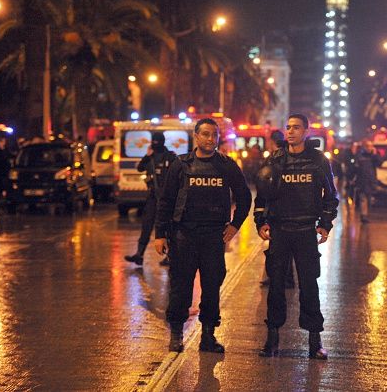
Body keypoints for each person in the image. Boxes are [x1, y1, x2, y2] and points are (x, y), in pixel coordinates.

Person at [154, 118, 251, 353]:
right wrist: (160, 234)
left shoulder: (227, 165)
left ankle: (208, 336)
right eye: (205, 134)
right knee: (180, 286)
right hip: (183, 235)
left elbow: (245, 197)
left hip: (213, 237)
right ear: (196, 136)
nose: (210, 139)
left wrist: (235, 225)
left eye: (214, 135)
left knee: (211, 287)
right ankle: (176, 334)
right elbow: (166, 200)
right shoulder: (181, 165)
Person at [254, 113, 338, 360]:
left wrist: (325, 224)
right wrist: (261, 221)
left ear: (306, 131)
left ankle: (315, 341)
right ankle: (272, 339)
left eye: (296, 128)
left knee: (309, 287)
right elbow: (262, 194)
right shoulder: (276, 159)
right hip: (280, 231)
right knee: (276, 287)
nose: (290, 132)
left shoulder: (318, 160)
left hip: (304, 232)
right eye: (288, 127)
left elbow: (331, 197)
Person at [125, 132, 176, 266]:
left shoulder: (170, 157)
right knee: (146, 225)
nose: (155, 143)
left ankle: (170, 256)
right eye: (153, 141)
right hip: (152, 197)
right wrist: (147, 156)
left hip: (166, 198)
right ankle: (139, 254)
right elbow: (140, 168)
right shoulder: (150, 157)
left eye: (156, 141)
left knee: (168, 227)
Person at [259, 130, 295, 289]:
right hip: (285, 209)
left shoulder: (275, 159)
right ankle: (280, 276)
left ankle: (282, 278)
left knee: (278, 248)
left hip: (278, 211)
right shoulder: (284, 157)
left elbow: (264, 182)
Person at [353, 140, 382, 223]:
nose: (369, 148)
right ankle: (364, 215)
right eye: (368, 146)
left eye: (370, 146)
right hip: (362, 181)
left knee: (369, 199)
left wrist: (375, 154)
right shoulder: (359, 156)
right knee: (363, 199)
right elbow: (355, 167)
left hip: (371, 181)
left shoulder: (373, 156)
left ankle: (366, 214)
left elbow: (380, 163)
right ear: (364, 147)